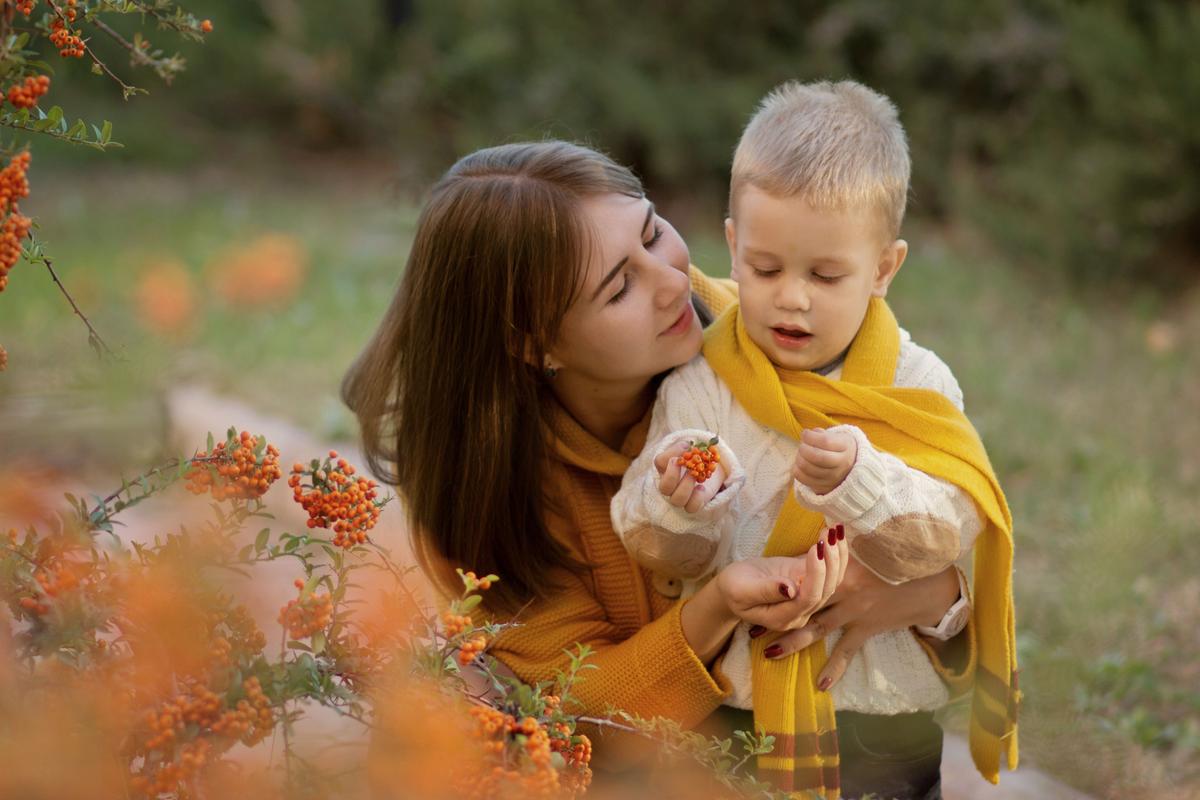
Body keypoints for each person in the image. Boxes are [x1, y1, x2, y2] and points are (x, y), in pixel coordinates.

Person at [342, 139, 973, 794]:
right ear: (534, 341)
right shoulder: (482, 496)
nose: (673, 280)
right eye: (620, 287)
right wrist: (720, 607)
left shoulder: (782, 332)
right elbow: (583, 710)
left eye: (653, 232)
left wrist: (932, 591)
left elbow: (948, 503)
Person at [611, 80, 1019, 798]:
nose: (791, 296)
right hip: (735, 711)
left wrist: (863, 482)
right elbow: (666, 554)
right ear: (734, 246)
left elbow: (945, 533)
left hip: (881, 724)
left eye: (826, 275)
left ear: (884, 270)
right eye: (766, 269)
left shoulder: (917, 385)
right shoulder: (704, 381)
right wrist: (679, 503)